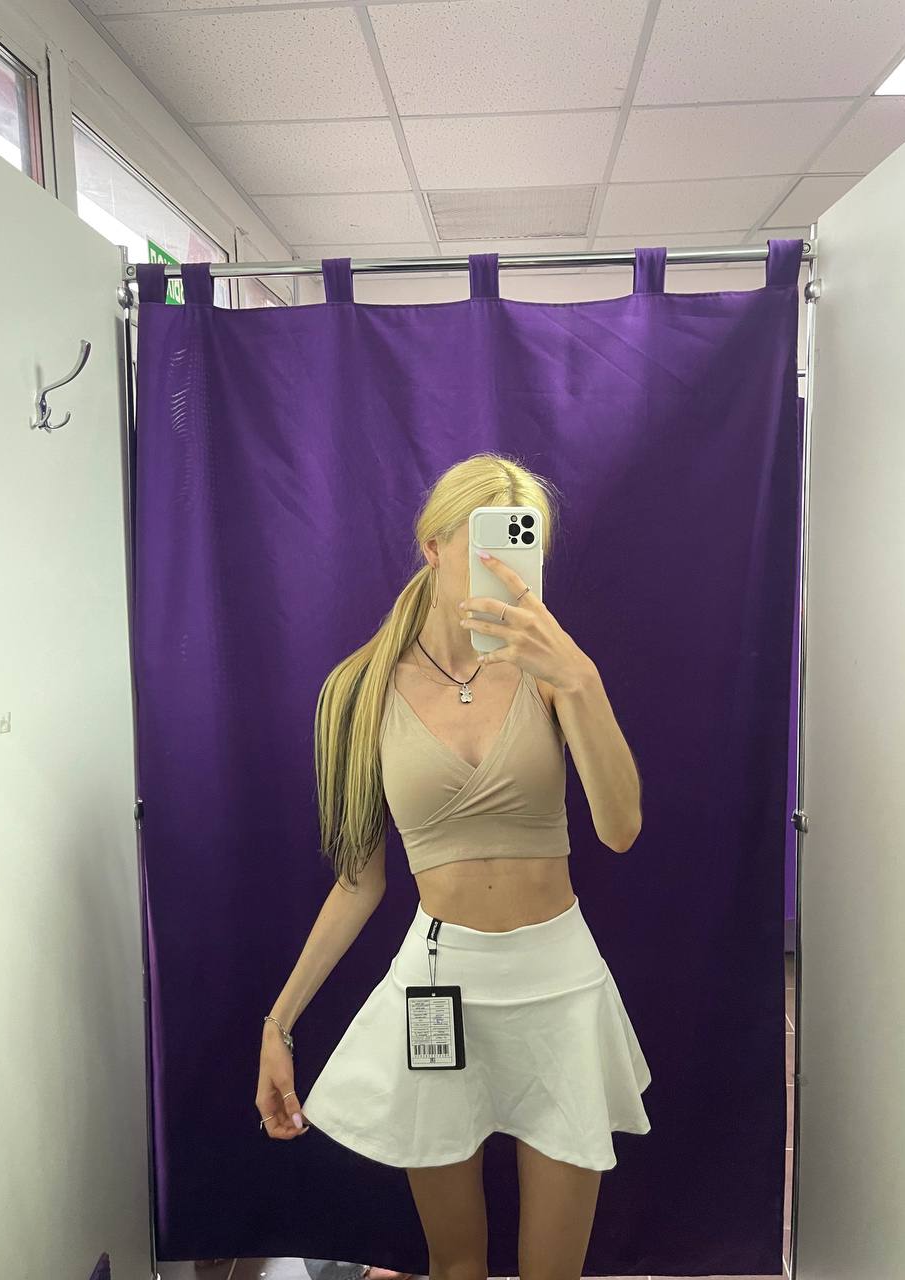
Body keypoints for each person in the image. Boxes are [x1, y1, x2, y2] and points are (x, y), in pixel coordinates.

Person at [256, 452, 651, 1280]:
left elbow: (620, 829)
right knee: (456, 1264)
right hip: (439, 988)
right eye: (486, 549)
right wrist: (278, 1023)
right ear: (433, 548)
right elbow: (359, 881)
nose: (505, 573)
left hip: (559, 986)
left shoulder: (552, 672)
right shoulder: (359, 690)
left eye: (522, 549)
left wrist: (578, 678)